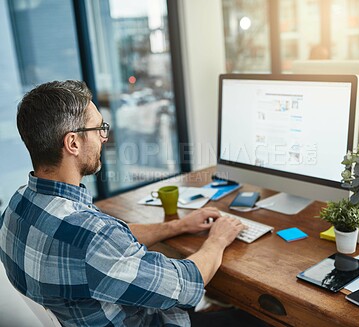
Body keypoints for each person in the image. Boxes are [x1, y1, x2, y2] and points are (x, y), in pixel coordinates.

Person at [0, 81, 268, 326]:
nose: (104, 137)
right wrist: (217, 240)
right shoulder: (92, 235)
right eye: (99, 129)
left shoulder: (17, 206)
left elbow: (108, 247)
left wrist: (178, 226)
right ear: (73, 143)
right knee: (256, 318)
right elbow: (184, 284)